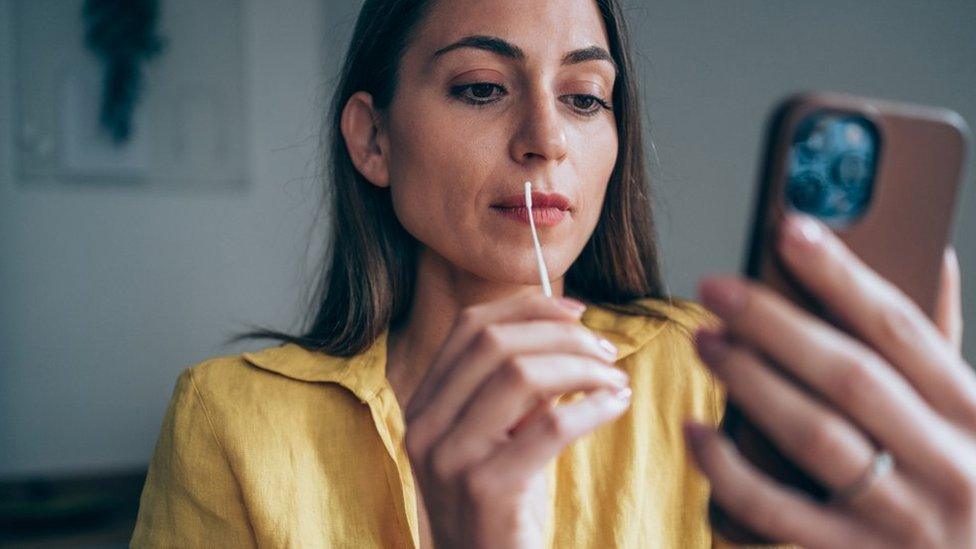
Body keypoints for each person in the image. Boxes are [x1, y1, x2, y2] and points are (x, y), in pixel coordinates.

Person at [131, 0, 976, 547]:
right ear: (373, 139)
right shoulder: (231, 419)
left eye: (584, 97)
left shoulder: (718, 378)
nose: (546, 137)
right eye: (479, 88)